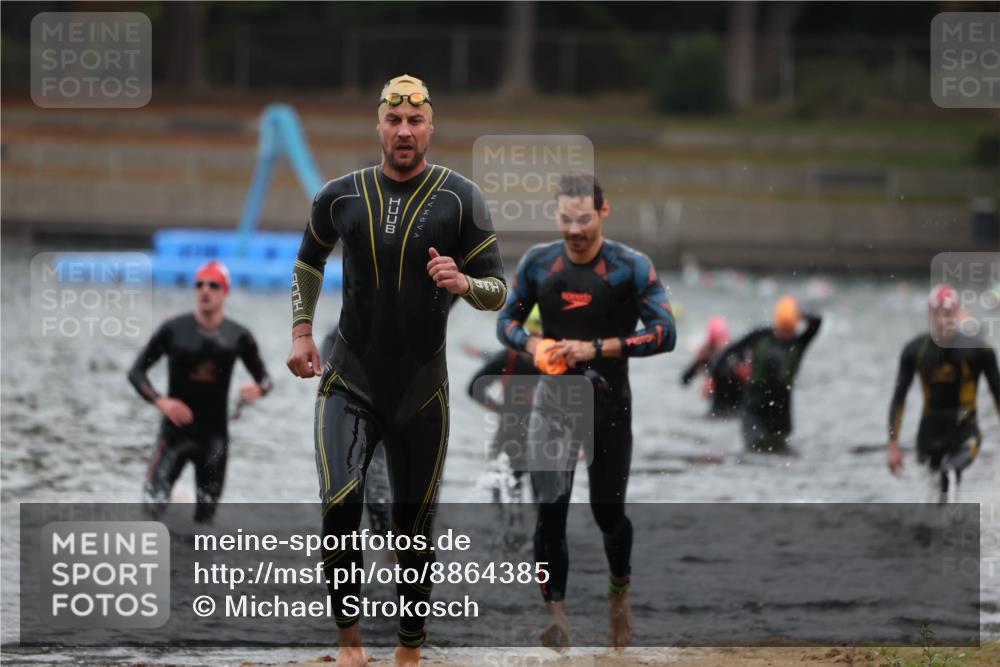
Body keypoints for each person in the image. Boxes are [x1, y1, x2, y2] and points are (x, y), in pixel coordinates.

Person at [285, 75, 506, 667]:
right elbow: (308, 262)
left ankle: (409, 651)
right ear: (378, 126)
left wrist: (464, 282)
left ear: (430, 128)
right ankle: (350, 647)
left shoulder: (461, 199)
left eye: (415, 122)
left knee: (413, 529)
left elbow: (498, 290)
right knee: (339, 504)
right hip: (348, 379)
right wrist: (303, 331)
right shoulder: (341, 195)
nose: (404, 132)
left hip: (421, 391)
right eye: (393, 121)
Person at [496, 172, 676, 650]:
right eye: (566, 219)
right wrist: (535, 345)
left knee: (607, 513)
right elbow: (506, 321)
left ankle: (619, 595)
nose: (575, 230)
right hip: (553, 402)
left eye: (584, 220)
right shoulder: (539, 264)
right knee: (549, 512)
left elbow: (665, 333)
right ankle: (558, 617)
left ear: (603, 212)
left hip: (609, 404)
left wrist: (596, 348)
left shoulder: (630, 267)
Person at [128, 260, 272, 523]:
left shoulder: (238, 336)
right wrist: (162, 402)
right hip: (173, 436)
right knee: (149, 516)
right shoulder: (173, 330)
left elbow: (266, 380)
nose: (205, 290)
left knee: (205, 527)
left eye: (213, 285)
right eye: (199, 284)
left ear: (225, 291)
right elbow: (136, 372)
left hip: (214, 440)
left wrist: (258, 390)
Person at [887, 283, 1000, 502]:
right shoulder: (915, 350)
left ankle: (956, 528)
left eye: (947, 314)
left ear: (956, 313)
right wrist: (893, 444)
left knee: (949, 472)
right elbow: (899, 399)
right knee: (935, 494)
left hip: (965, 430)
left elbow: (998, 394)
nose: (942, 321)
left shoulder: (978, 350)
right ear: (930, 314)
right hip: (929, 435)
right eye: (937, 314)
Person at [468, 306, 542, 546]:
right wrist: (499, 409)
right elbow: (474, 388)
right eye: (531, 336)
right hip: (510, 433)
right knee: (506, 488)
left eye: (542, 336)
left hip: (544, 437)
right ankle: (509, 533)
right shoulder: (506, 358)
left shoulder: (555, 361)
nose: (536, 343)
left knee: (545, 498)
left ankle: (542, 536)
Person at [715, 296, 821, 452]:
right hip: (754, 409)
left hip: (781, 413)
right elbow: (729, 352)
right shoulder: (761, 336)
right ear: (777, 323)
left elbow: (817, 322)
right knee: (754, 449)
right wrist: (717, 376)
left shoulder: (799, 343)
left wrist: (798, 312)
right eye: (784, 328)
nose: (787, 333)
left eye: (790, 329)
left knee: (779, 452)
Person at [320, 328, 391, 538]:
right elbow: (331, 338)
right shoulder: (361, 315)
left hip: (398, 410)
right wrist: (327, 367)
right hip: (362, 406)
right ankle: (383, 544)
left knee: (387, 482)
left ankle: (394, 552)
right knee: (368, 477)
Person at [680, 315, 748, 416]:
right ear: (712, 341)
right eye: (718, 340)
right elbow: (685, 380)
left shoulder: (736, 353)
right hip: (718, 406)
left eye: (723, 339)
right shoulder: (706, 356)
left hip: (737, 405)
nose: (722, 344)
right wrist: (698, 362)